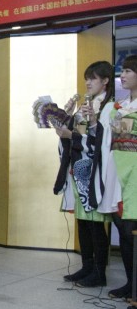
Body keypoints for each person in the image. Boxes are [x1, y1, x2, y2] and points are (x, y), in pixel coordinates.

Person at [53, 61, 114, 287]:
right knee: (83, 221)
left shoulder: (109, 108)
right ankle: (87, 266)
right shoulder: (86, 105)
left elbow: (103, 142)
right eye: (87, 78)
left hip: (95, 172)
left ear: (106, 80)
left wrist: (73, 136)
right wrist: (66, 119)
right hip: (80, 170)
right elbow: (76, 135)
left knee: (96, 223)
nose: (88, 82)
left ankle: (100, 272)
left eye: (93, 78)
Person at [99, 55, 137, 300]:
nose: (122, 75)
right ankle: (129, 282)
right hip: (117, 167)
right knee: (122, 227)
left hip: (134, 170)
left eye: (128, 70)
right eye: (122, 71)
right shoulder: (121, 104)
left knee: (133, 228)